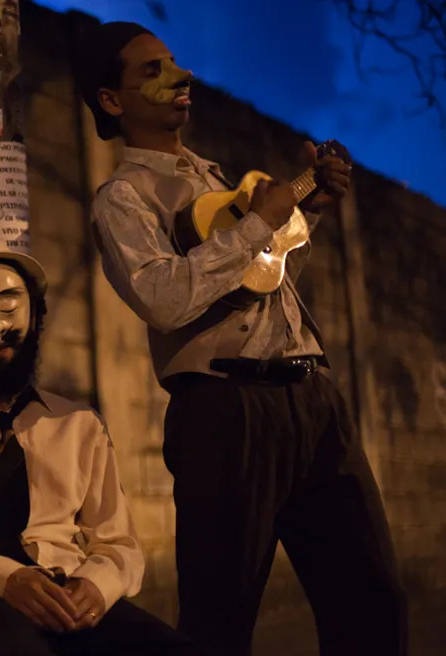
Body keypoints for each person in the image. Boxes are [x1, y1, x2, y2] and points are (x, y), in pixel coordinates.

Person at [74, 21, 407, 656]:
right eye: (151, 70)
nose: (180, 76)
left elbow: (263, 278)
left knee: (373, 601)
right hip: (226, 410)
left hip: (312, 398)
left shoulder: (218, 176)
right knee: (220, 621)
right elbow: (164, 299)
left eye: (174, 62)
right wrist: (257, 222)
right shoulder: (124, 196)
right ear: (111, 101)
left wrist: (307, 214)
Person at [0, 230, 201, 655]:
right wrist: (3, 577)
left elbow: (118, 539)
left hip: (69, 592)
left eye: (10, 308)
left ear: (34, 316)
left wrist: (98, 584)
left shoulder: (80, 424)